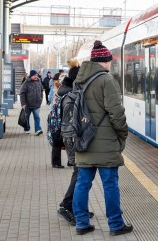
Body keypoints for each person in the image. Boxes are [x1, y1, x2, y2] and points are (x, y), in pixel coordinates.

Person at [72, 40, 133, 236]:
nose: (110, 63)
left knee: (82, 183)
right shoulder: (107, 81)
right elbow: (117, 114)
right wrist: (123, 133)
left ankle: (81, 223)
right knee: (110, 185)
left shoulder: (79, 80)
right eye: (109, 60)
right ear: (104, 61)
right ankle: (115, 224)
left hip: (83, 139)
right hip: (105, 143)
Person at [56, 62, 97, 224]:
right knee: (79, 173)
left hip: (70, 137)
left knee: (79, 173)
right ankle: (66, 206)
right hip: (73, 138)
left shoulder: (67, 92)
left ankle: (77, 207)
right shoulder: (71, 96)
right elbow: (73, 122)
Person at [19, 70, 44, 135]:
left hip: (36, 104)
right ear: (31, 75)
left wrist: (41, 99)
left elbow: (41, 91)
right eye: (34, 75)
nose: (36, 76)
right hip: (27, 105)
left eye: (36, 75)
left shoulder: (38, 81)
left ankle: (38, 130)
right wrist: (23, 103)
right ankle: (27, 129)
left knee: (37, 117)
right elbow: (22, 93)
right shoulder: (26, 83)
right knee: (26, 118)